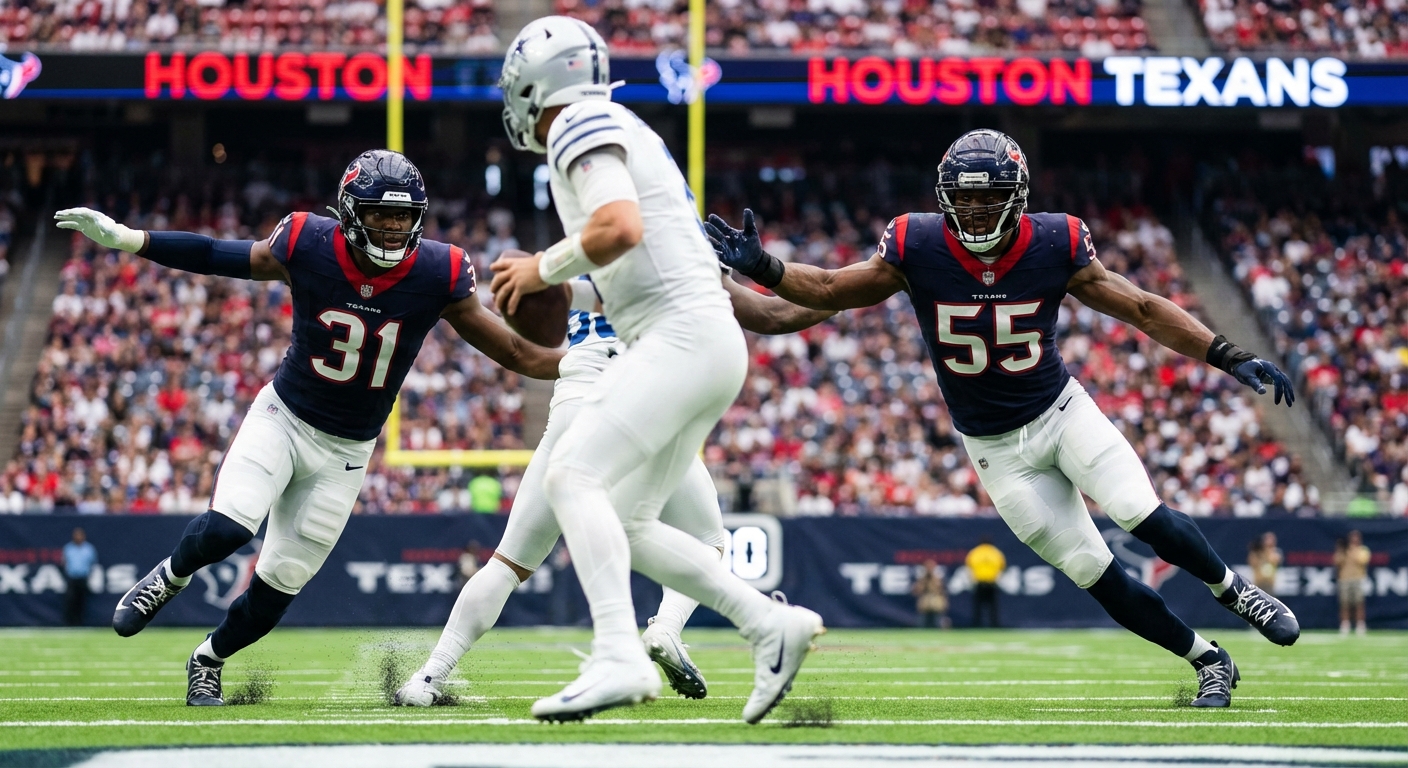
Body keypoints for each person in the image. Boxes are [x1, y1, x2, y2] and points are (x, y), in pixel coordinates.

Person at [708, 128, 1302, 708]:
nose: (974, 209)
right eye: (963, 197)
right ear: (943, 198)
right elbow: (822, 291)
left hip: (1060, 412)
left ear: (1017, 197)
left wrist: (1228, 354)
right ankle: (1208, 660)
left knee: (1135, 511)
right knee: (1094, 572)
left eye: (988, 196)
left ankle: (1236, 591)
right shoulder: (916, 247)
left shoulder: (1055, 243)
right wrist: (754, 267)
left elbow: (1143, 308)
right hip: (993, 448)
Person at [53, 149, 563, 707]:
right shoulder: (307, 242)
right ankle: (171, 576)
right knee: (229, 528)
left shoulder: (437, 272)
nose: (393, 229)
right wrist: (132, 240)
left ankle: (208, 658)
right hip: (284, 418)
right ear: (349, 211)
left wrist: (591, 361)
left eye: (402, 216)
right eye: (379, 214)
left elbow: (514, 350)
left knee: (277, 591)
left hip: (348, 450)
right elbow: (219, 253)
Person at [487, 16, 826, 724]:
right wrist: (562, 287)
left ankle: (618, 654)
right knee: (629, 521)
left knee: (572, 475)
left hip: (679, 339)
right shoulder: (620, 127)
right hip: (697, 338)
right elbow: (628, 271)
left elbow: (619, 230)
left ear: (536, 86)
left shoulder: (579, 122)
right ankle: (770, 625)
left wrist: (539, 265)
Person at [396, 270, 834, 707]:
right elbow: (767, 314)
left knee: (509, 562)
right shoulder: (661, 241)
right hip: (635, 395)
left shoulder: (579, 251)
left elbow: (531, 337)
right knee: (704, 539)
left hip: (573, 396)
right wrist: (835, 294)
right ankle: (661, 632)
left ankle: (428, 676)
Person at [1335, 531, 1371, 635]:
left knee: (1359, 603)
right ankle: (1345, 624)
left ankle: (1360, 624)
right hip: (1344, 579)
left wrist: (1352, 550)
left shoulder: (1363, 550)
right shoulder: (1343, 550)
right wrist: (1342, 551)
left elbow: (1361, 560)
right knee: (1344, 603)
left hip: (1358, 579)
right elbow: (1337, 562)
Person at [62, 527, 98, 626]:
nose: (78, 537)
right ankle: (69, 623)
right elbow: (64, 562)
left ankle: (80, 622)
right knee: (70, 601)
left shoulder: (89, 549)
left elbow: (92, 564)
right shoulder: (68, 548)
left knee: (82, 601)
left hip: (83, 578)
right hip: (72, 579)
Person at [967, 538, 1005, 628]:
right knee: (993, 607)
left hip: (979, 582)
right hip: (991, 583)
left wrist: (972, 579)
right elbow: (1002, 567)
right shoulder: (996, 552)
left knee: (978, 607)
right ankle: (994, 625)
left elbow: (969, 567)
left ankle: (977, 625)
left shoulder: (975, 552)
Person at [912, 559, 950, 629]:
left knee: (937, 622)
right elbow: (916, 591)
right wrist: (923, 580)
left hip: (936, 602)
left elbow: (942, 590)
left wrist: (934, 578)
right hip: (925, 603)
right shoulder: (922, 578)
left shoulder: (939, 577)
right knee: (922, 623)